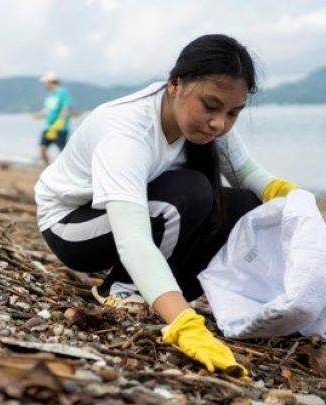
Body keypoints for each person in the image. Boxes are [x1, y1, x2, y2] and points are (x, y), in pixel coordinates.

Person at [34, 34, 298, 378]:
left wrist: (294, 200)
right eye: (211, 106)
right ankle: (119, 288)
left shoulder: (208, 124)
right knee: (191, 190)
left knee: (245, 205)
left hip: (135, 217)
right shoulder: (127, 133)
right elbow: (133, 239)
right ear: (175, 84)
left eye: (233, 113)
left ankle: (170, 292)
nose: (220, 123)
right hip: (71, 225)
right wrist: (183, 326)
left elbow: (246, 173)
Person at [38, 71, 72, 165]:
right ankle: (48, 169)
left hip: (60, 128)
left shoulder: (63, 93)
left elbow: (67, 108)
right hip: (48, 127)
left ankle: (66, 170)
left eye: (45, 83)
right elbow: (48, 110)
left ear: (51, 82)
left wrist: (60, 122)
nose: (44, 85)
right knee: (42, 148)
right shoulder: (50, 94)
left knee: (62, 152)